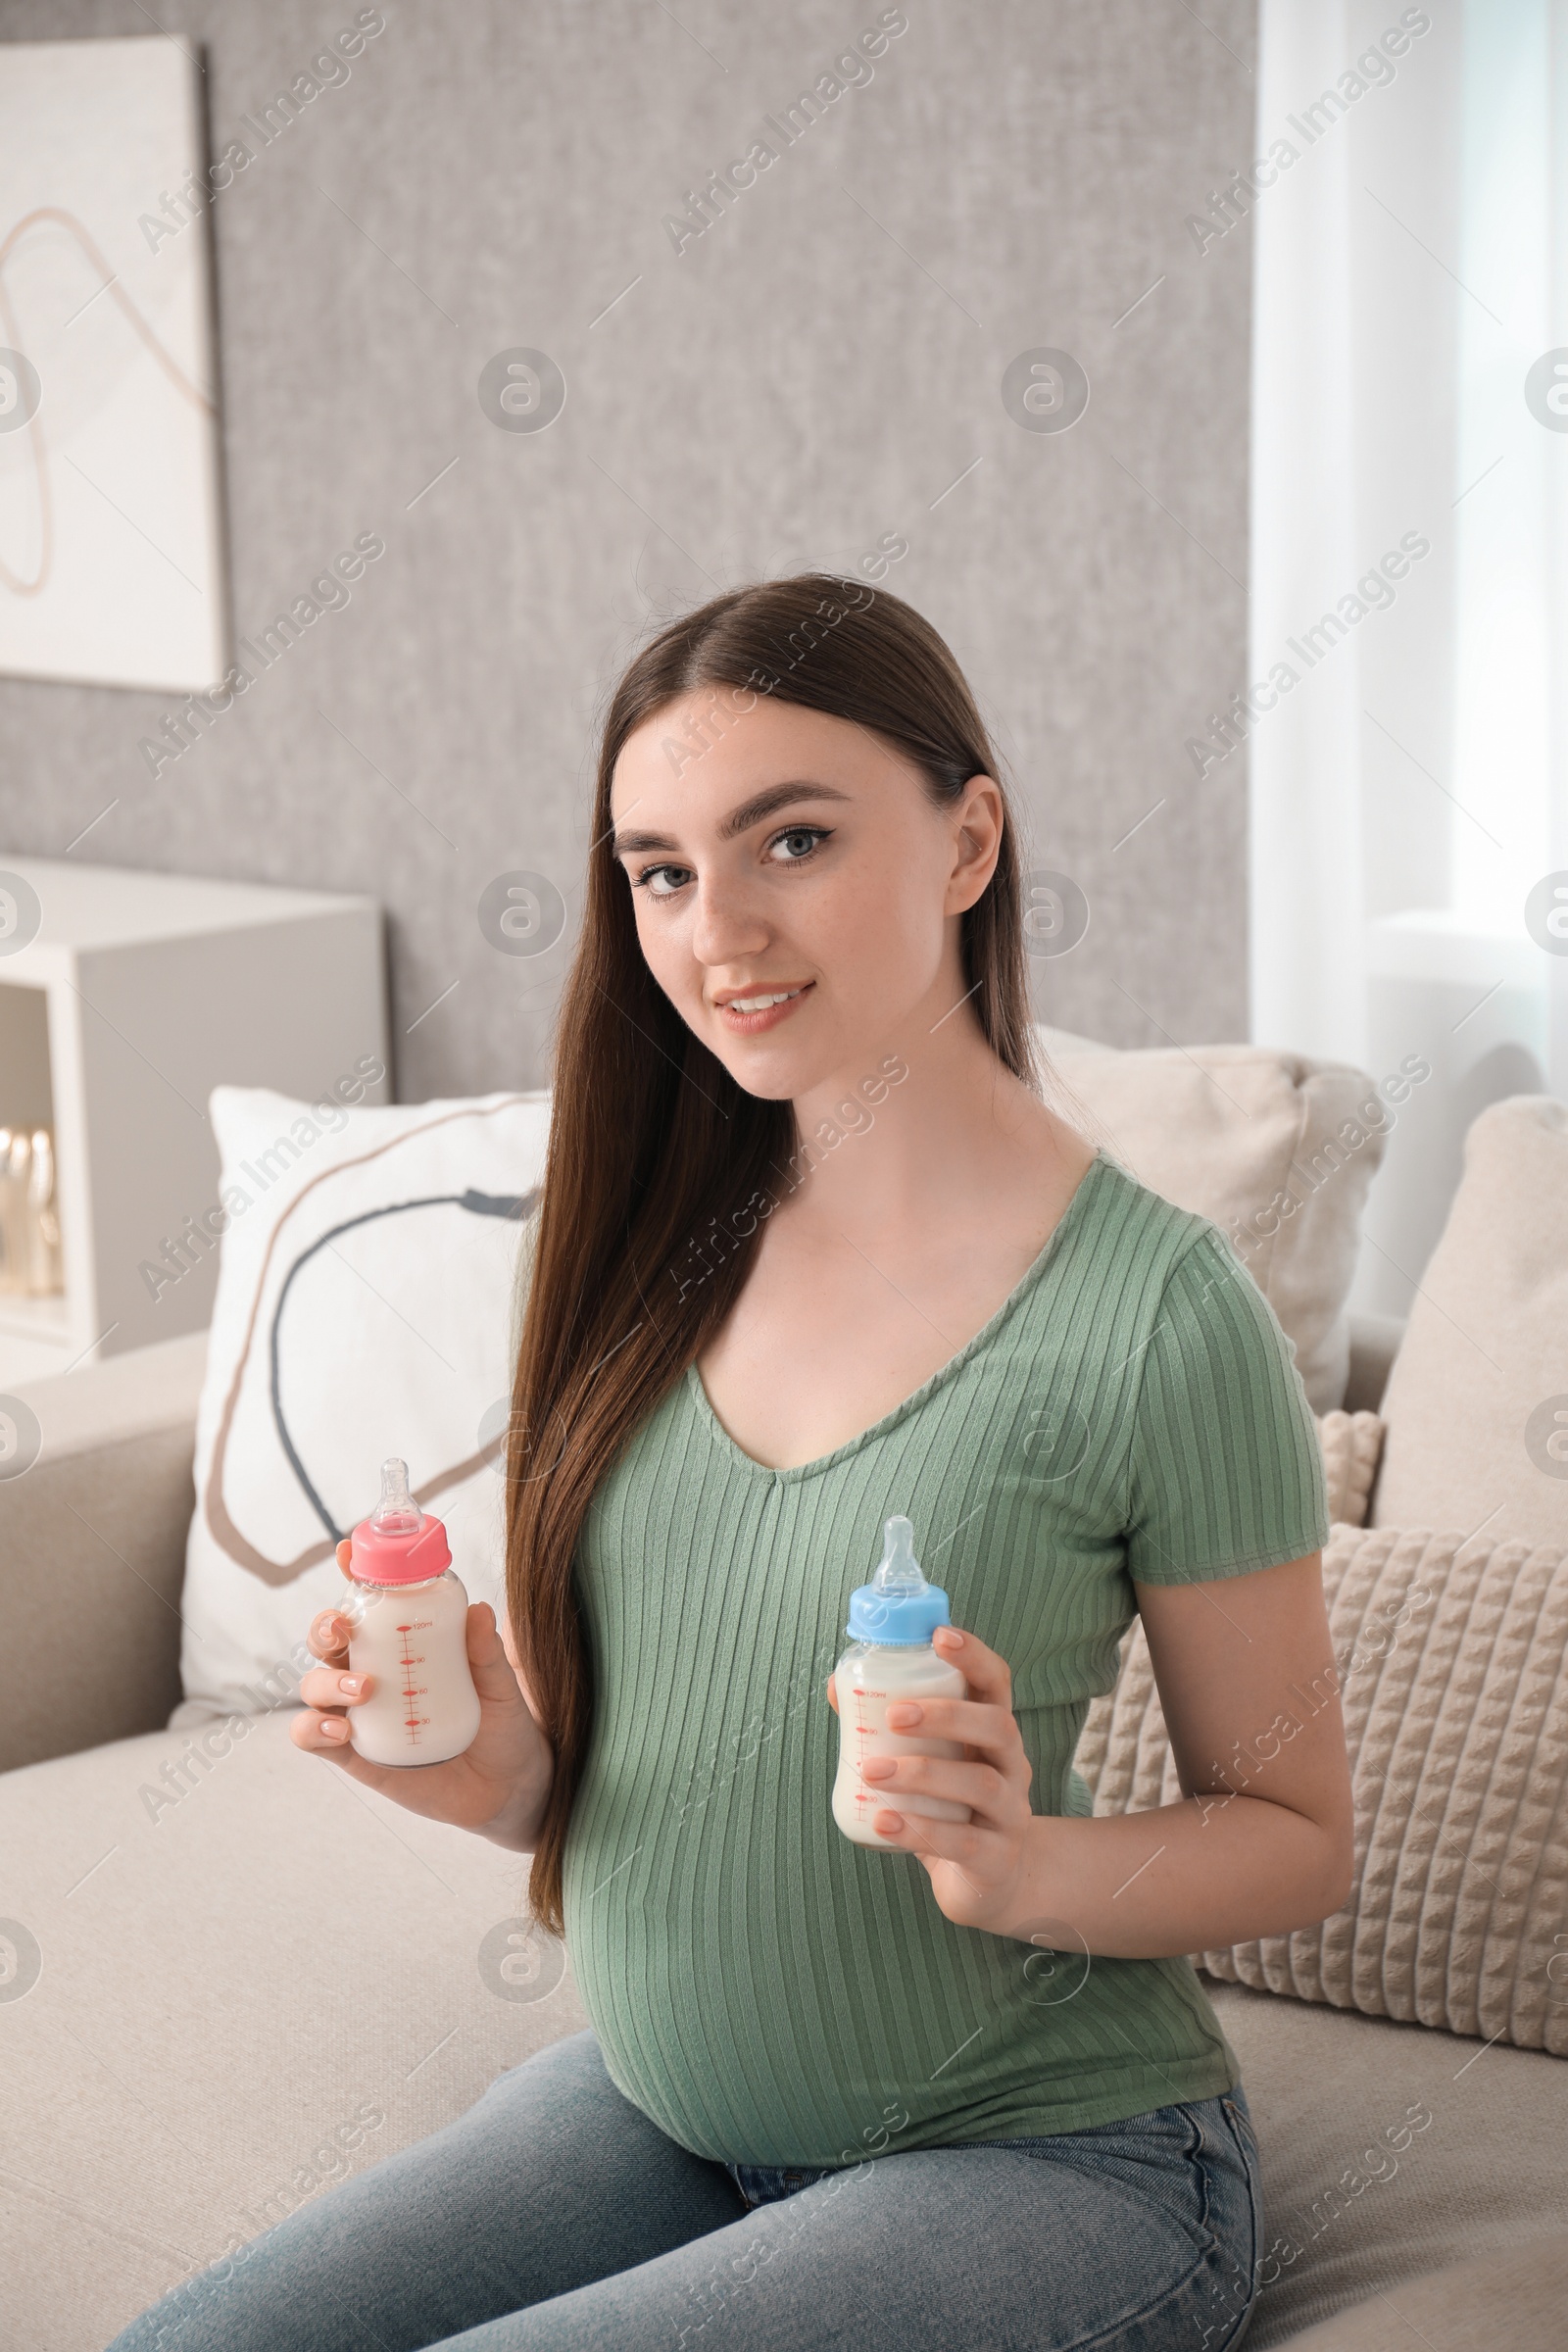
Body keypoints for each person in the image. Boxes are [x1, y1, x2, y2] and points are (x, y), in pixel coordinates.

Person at [109, 575, 1351, 2352]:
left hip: (1061, 2163)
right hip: (667, 2117)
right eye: (664, 869)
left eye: (793, 840)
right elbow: (639, 1786)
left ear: (967, 840)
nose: (718, 931)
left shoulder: (1161, 1316)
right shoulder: (645, 1250)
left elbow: (1298, 1836)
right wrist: (500, 1773)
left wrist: (1021, 1865)